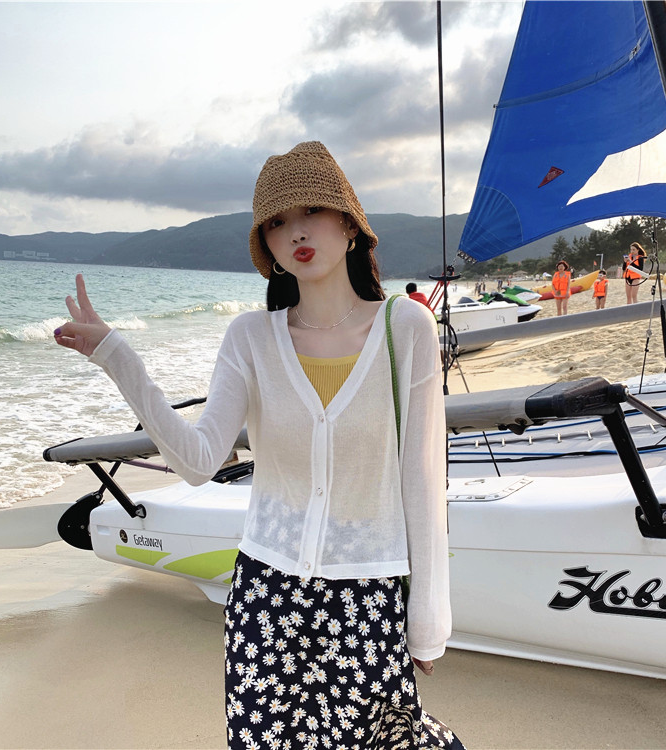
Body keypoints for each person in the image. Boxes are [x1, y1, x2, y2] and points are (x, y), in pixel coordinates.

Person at [53, 141, 463, 750]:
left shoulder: (406, 327)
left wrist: (427, 619)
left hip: (366, 595)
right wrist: (116, 355)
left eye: (312, 211)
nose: (295, 231)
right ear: (266, 246)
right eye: (276, 222)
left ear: (350, 224)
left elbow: (423, 481)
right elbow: (197, 462)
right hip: (266, 598)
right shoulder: (250, 338)